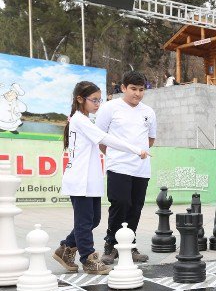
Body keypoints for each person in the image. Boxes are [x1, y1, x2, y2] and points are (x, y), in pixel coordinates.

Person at [52, 81, 148, 275]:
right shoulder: (79, 120)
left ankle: (65, 249)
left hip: (90, 181)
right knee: (85, 222)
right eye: (94, 100)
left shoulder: (85, 120)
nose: (98, 104)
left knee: (93, 220)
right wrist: (135, 150)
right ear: (80, 99)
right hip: (80, 181)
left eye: (99, 100)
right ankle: (88, 259)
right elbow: (106, 139)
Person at [96, 71, 157, 265]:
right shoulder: (109, 108)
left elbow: (151, 139)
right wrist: (116, 155)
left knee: (135, 207)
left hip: (141, 169)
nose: (137, 94)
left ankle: (130, 246)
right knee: (120, 204)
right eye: (133, 89)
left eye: (141, 90)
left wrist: (138, 153)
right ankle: (111, 245)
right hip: (118, 166)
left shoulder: (148, 112)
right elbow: (100, 137)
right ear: (123, 88)